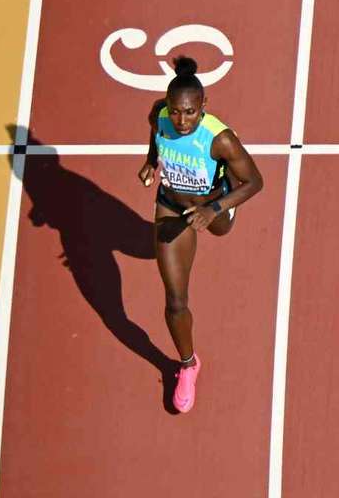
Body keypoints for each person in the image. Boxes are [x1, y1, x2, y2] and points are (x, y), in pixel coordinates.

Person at [137, 56, 264, 412]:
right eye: (176, 111)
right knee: (175, 300)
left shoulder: (219, 139)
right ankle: (188, 364)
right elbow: (156, 133)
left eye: (190, 112)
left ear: (203, 107)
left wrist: (214, 210)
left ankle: (224, 205)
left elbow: (256, 182)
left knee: (222, 230)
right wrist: (151, 161)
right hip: (171, 207)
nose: (181, 120)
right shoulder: (160, 115)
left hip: (213, 206)